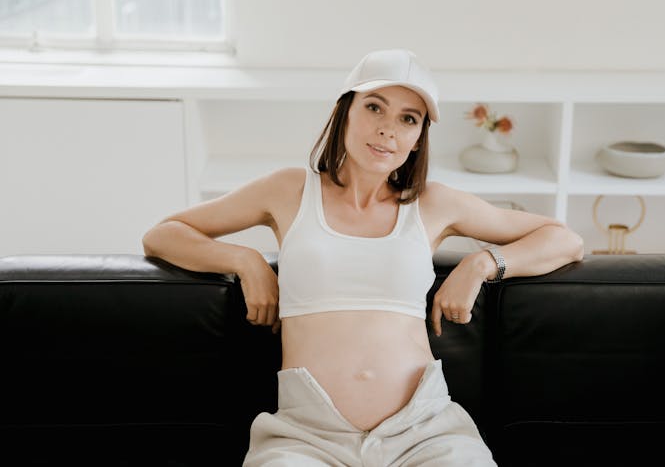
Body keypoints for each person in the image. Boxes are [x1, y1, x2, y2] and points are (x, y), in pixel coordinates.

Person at [142, 48, 584, 466]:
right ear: (344, 111)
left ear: (416, 139)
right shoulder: (288, 190)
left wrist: (483, 263)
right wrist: (244, 260)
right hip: (306, 436)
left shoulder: (432, 203)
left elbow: (564, 239)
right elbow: (164, 234)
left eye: (407, 119)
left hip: (426, 432)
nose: (387, 129)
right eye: (374, 107)